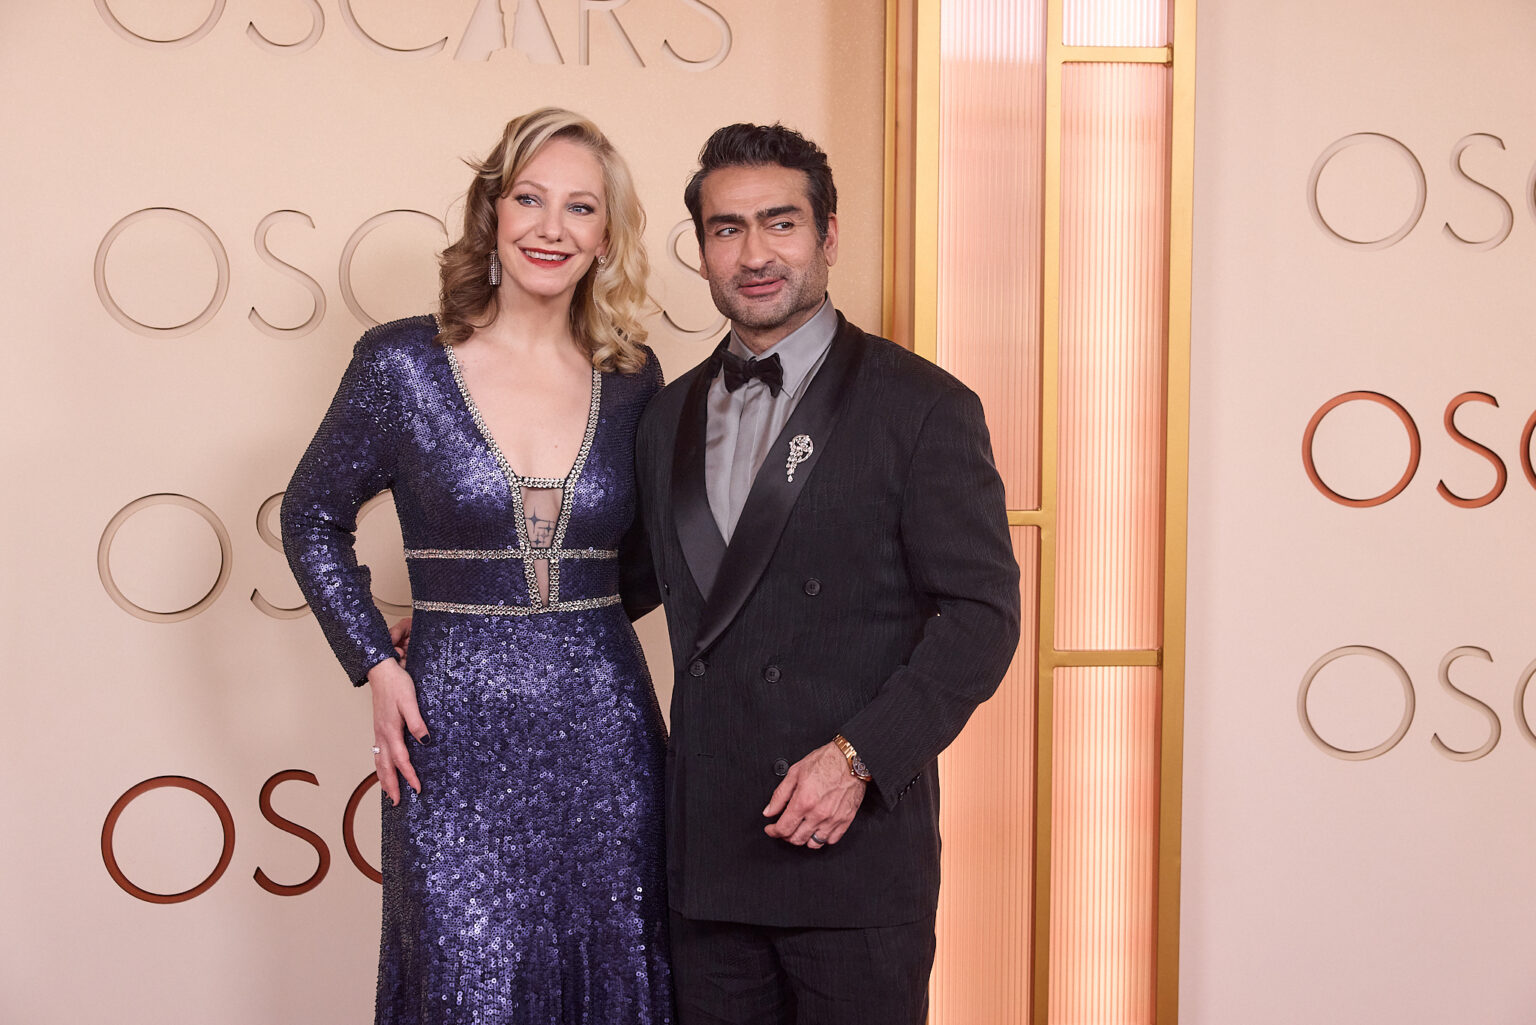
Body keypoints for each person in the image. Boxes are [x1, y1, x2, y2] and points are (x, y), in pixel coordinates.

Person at [281, 108, 672, 1024]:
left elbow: (654, 563)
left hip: (606, 735)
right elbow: (310, 516)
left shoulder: (634, 375)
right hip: (452, 732)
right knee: (465, 973)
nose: (551, 227)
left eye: (580, 207)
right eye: (529, 199)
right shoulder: (403, 364)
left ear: (606, 233)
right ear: (491, 212)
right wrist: (377, 658)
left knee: (613, 972)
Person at [631, 123, 1021, 1025]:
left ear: (828, 235)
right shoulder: (666, 415)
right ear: (700, 251)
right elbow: (626, 582)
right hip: (711, 857)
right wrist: (474, 620)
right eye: (728, 229)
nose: (756, 253)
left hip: (857, 859)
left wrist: (858, 759)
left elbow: (981, 616)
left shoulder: (923, 406)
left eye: (781, 222)